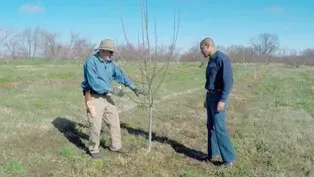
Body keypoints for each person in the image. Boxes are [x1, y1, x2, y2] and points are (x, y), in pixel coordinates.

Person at [81, 39, 144, 158]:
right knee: (95, 125)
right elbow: (94, 82)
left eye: (112, 53)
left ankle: (116, 146)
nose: (111, 55)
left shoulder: (110, 63)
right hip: (94, 97)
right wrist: (112, 90)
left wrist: (133, 87)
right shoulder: (91, 62)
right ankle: (94, 149)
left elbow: (120, 75)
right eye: (110, 52)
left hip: (107, 97)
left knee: (114, 122)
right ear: (102, 51)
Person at [199, 37, 236, 167]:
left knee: (219, 128)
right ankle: (212, 154)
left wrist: (223, 99)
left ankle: (229, 159)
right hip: (210, 96)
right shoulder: (211, 60)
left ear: (208, 45)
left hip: (219, 97)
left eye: (202, 48)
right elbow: (211, 81)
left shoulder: (222, 59)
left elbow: (229, 82)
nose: (201, 51)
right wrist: (206, 98)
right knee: (210, 126)